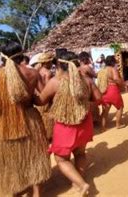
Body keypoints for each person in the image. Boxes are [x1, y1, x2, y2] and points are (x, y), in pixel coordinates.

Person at [0, 42, 51, 196]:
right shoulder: (33, 73)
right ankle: (37, 193)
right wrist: (31, 99)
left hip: (6, 122)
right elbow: (42, 99)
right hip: (31, 119)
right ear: (22, 54)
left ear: (2, 56)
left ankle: (17, 189)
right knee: (35, 156)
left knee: (12, 159)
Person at [36, 53, 101, 196]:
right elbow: (98, 98)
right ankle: (79, 179)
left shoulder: (55, 82)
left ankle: (82, 184)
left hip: (65, 127)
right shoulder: (87, 80)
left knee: (61, 159)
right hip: (84, 123)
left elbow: (40, 101)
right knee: (80, 153)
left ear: (58, 65)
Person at [97, 55, 125, 131]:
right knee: (120, 107)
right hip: (113, 89)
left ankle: (103, 127)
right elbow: (116, 79)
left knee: (105, 110)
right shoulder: (113, 69)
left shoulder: (101, 70)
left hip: (104, 90)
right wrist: (122, 83)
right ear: (113, 62)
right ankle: (118, 124)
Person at [33, 52, 55, 139]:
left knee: (42, 116)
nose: (52, 63)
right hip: (46, 97)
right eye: (50, 62)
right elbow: (47, 87)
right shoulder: (48, 73)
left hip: (38, 97)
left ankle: (43, 134)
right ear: (46, 63)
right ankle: (49, 134)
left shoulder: (37, 71)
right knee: (48, 116)